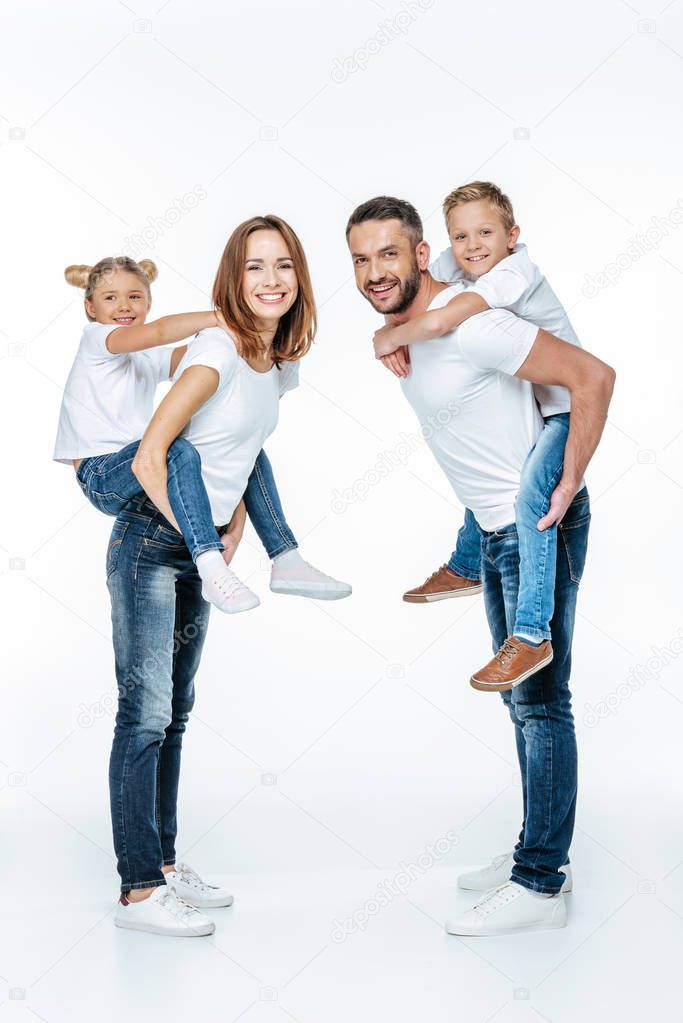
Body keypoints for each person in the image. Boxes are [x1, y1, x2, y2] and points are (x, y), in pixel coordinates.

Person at [347, 196, 615, 936]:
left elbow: (593, 376)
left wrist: (569, 478)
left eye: (388, 254)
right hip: (494, 535)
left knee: (539, 700)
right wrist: (387, 334)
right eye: (361, 260)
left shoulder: (481, 324)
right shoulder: (411, 326)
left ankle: (539, 878)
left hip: (536, 527)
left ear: (420, 253)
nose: (374, 272)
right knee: (520, 704)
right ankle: (536, 848)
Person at [105, 215, 329, 935]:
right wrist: (202, 537)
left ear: (299, 280)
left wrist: (235, 525)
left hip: (200, 551)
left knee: (174, 712)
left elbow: (236, 451)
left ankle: (165, 866)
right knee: (143, 714)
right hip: (149, 542)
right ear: (232, 279)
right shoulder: (215, 347)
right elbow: (152, 455)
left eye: (283, 265)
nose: (270, 280)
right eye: (254, 266)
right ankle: (139, 891)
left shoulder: (274, 361)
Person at [370, 181, 583, 690]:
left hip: (565, 412)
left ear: (513, 235)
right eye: (460, 237)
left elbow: (442, 315)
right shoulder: (463, 260)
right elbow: (415, 279)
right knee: (484, 463)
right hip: (535, 402)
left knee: (529, 496)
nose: (471, 247)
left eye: (485, 233)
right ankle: (468, 564)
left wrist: (386, 336)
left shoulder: (511, 274)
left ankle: (532, 633)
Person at [53, 256, 350, 612]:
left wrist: (247, 338)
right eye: (109, 298)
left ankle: (285, 556)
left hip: (132, 465)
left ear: (148, 301)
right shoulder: (98, 339)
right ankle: (209, 560)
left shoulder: (147, 358)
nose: (123, 306)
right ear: (90, 307)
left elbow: (197, 356)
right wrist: (221, 317)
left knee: (251, 450)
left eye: (134, 297)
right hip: (100, 474)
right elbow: (161, 330)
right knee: (180, 450)